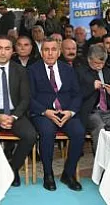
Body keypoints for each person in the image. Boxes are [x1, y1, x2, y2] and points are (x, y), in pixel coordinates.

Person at [0, 36, 36, 187]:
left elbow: (25, 98)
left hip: (15, 112)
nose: (3, 52)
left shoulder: (20, 70)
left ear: (12, 51)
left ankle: (12, 169)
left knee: (30, 136)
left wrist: (14, 117)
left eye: (7, 48)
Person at [27, 39, 84, 191]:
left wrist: (70, 112)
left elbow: (77, 94)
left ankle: (68, 174)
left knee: (79, 132)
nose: (50, 53)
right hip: (43, 113)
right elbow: (28, 97)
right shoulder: (32, 70)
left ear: (59, 53)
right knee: (47, 132)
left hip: (65, 112)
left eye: (53, 49)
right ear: (41, 53)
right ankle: (48, 174)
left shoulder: (68, 70)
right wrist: (45, 112)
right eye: (46, 50)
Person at [77, 45, 110, 154]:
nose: (99, 66)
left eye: (102, 63)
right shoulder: (80, 72)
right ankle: (101, 161)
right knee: (100, 127)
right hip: (90, 112)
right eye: (96, 63)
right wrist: (91, 87)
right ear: (89, 59)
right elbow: (75, 96)